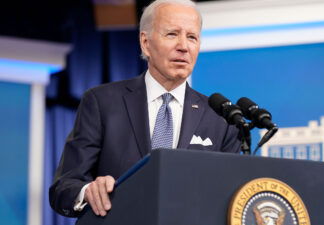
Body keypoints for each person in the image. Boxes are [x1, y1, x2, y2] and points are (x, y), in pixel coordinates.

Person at [49, 0, 241, 218]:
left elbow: (228, 199)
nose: (183, 46)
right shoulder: (102, 102)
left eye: (192, 37)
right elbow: (63, 188)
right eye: (172, 34)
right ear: (145, 42)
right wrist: (89, 191)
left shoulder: (221, 118)